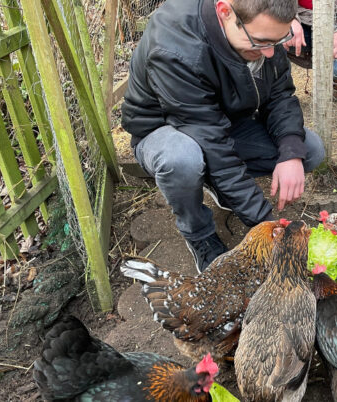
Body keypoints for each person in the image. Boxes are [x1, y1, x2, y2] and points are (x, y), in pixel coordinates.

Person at [121, 0, 325, 272]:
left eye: (277, 41)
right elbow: (211, 143)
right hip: (165, 129)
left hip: (226, 121)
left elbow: (280, 96)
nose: (268, 53)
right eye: (260, 42)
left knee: (308, 150)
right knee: (182, 161)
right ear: (224, 12)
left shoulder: (263, 30)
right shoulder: (175, 48)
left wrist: (290, 153)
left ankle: (220, 186)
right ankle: (198, 233)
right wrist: (268, 227)